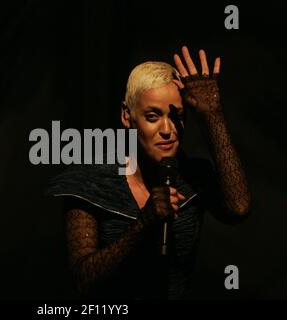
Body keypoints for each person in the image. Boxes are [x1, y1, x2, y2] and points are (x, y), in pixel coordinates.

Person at [47, 46, 251, 299]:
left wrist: (213, 115)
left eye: (176, 116)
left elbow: (239, 208)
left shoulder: (193, 177)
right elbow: (84, 281)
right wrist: (143, 225)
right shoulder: (90, 183)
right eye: (153, 116)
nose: (167, 129)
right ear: (127, 115)